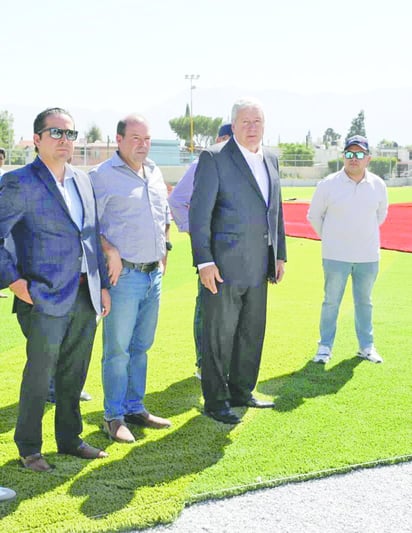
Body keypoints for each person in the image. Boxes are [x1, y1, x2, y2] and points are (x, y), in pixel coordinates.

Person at [0, 107, 111, 472]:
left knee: (74, 372)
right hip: (43, 296)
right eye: (56, 133)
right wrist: (14, 281)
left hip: (84, 293)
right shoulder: (20, 182)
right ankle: (29, 447)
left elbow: (90, 237)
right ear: (37, 139)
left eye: (70, 134)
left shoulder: (82, 180)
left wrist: (103, 287)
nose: (65, 141)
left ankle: (70, 439)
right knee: (40, 373)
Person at [189, 98, 287, 424]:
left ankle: (242, 392)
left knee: (251, 333)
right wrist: (204, 262)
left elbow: (276, 210)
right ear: (233, 126)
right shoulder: (214, 158)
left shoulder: (271, 157)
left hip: (260, 265)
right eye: (245, 122)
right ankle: (216, 402)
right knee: (218, 336)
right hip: (223, 267)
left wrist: (280, 254)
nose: (252, 128)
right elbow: (199, 214)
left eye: (257, 121)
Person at [90, 113, 172, 444]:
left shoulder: (154, 171)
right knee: (118, 350)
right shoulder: (102, 176)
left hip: (153, 275)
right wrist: (109, 250)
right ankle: (114, 416)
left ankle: (135, 407)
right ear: (119, 140)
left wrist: (164, 250)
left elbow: (162, 215)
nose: (142, 145)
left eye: (147, 138)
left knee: (142, 347)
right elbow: (87, 226)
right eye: (135, 138)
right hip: (123, 278)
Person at [307, 135, 388, 364]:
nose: (354, 159)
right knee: (331, 301)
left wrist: (359, 237)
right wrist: (331, 238)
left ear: (368, 158)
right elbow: (314, 216)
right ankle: (324, 347)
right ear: (344, 156)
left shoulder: (378, 185)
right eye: (350, 154)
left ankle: (366, 346)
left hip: (368, 256)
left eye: (359, 154)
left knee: (365, 302)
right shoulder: (328, 184)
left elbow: (381, 215)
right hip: (335, 256)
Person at [168, 123, 233, 377]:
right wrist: (195, 231)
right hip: (211, 251)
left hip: (236, 250)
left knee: (231, 308)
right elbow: (176, 201)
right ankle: (203, 364)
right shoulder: (202, 165)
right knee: (207, 306)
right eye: (225, 139)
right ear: (217, 139)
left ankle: (225, 363)